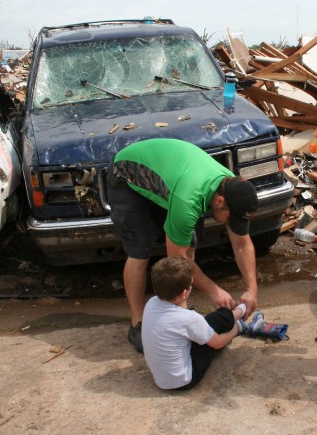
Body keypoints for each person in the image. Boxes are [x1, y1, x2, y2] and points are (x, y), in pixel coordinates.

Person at [106, 138, 259, 354]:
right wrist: (214, 291)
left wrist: (252, 289)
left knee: (190, 242)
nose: (229, 224)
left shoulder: (231, 190)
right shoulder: (188, 201)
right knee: (141, 250)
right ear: (219, 201)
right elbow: (176, 262)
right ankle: (137, 324)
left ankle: (179, 312)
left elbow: (242, 243)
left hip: (170, 179)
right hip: (126, 173)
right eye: (229, 217)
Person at [142, 256, 247, 390]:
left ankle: (237, 314)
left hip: (161, 380)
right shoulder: (189, 318)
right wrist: (235, 330)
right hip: (185, 381)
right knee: (217, 320)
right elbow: (218, 343)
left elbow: (180, 320)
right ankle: (241, 311)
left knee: (204, 325)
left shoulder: (151, 303)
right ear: (185, 293)